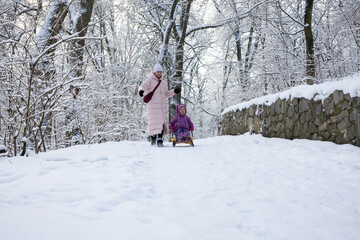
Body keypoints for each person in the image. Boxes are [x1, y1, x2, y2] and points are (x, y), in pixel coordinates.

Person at [139, 63, 180, 147]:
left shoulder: (163, 83)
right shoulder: (149, 80)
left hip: (162, 107)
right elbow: (143, 85)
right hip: (153, 106)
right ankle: (153, 138)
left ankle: (160, 140)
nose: (159, 73)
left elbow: (166, 94)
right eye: (157, 72)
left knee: (161, 123)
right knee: (154, 123)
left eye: (160, 72)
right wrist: (141, 90)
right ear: (154, 72)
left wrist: (174, 91)